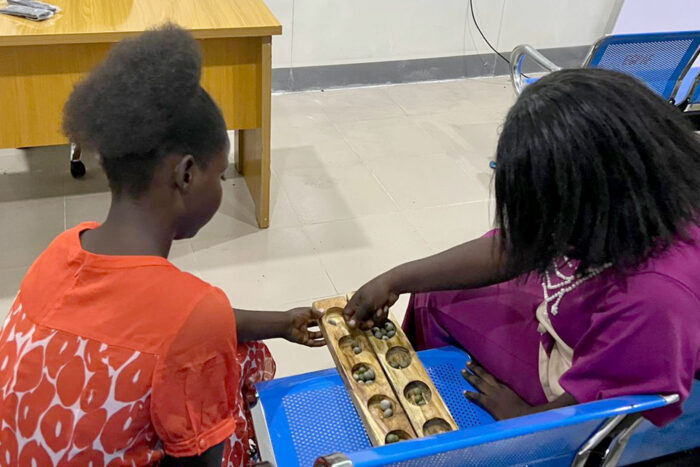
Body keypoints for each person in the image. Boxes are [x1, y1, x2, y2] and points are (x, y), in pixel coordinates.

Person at [0, 25, 324, 466]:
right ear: (186, 175)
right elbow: (184, 328)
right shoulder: (193, 314)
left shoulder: (62, 251)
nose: (223, 186)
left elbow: (153, 323)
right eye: (221, 173)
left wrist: (281, 322)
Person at [344, 68, 700, 427]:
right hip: (589, 320)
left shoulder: (655, 298)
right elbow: (523, 244)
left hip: (580, 376)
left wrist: (525, 420)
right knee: (433, 293)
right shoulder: (649, 193)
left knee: (440, 301)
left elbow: (607, 414)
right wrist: (396, 279)